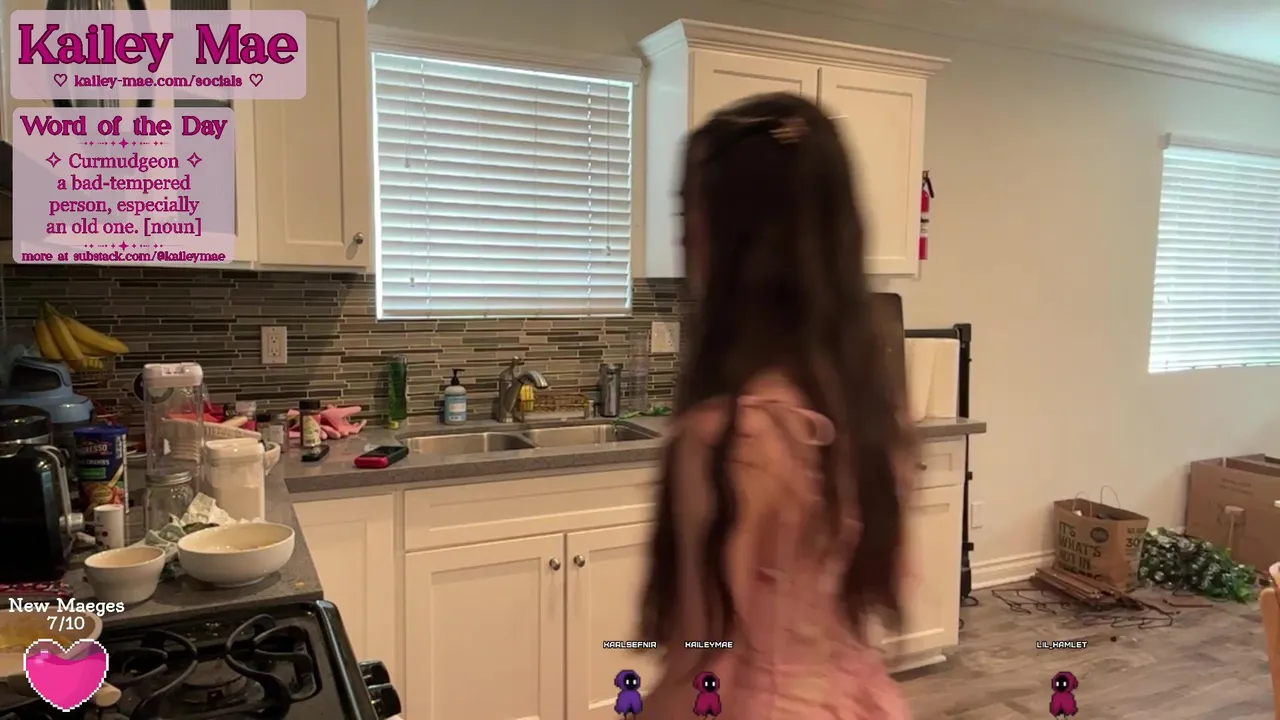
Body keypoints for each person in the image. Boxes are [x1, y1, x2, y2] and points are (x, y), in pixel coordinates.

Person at [638, 92, 918, 719]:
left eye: (688, 210)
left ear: (738, 233)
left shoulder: (729, 439)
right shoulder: (865, 411)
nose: (680, 234)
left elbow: (700, 658)